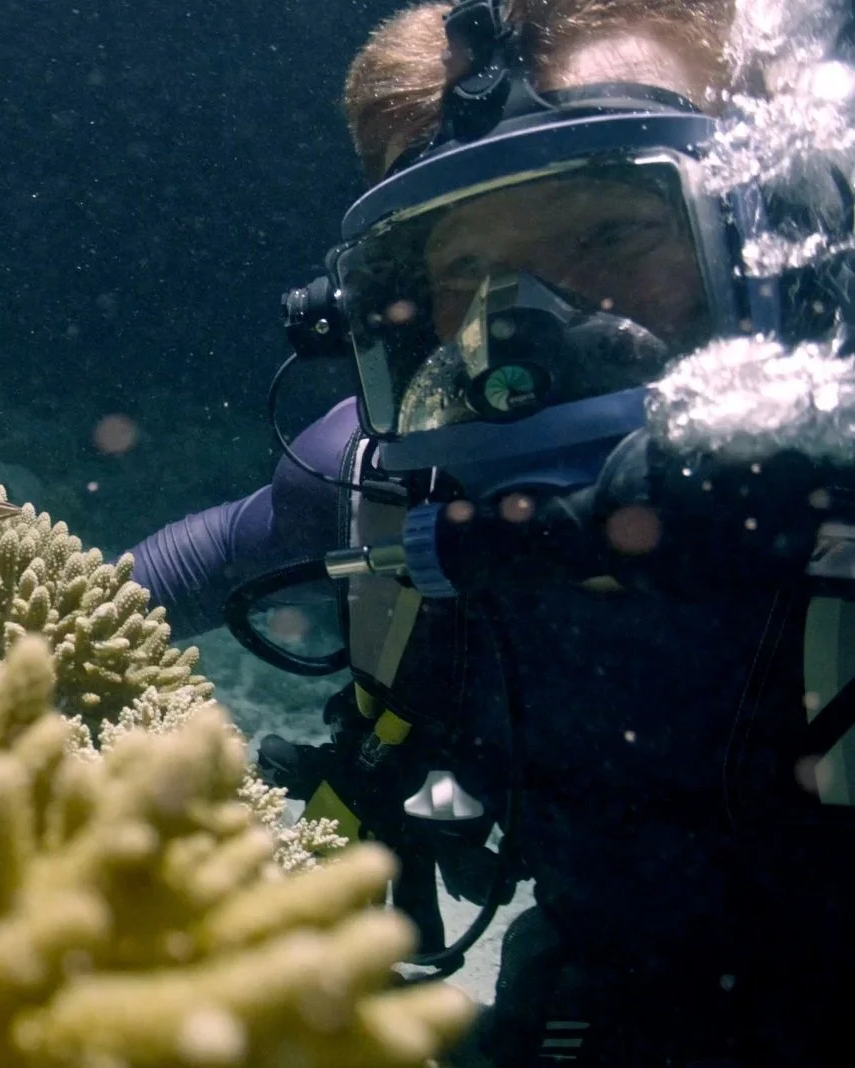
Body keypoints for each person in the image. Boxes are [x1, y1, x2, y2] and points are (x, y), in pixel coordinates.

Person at [124, 1, 855, 1065]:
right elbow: (121, 590)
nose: (536, 327)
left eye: (611, 232)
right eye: (473, 276)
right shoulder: (386, 485)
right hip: (604, 994)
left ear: (759, 223)